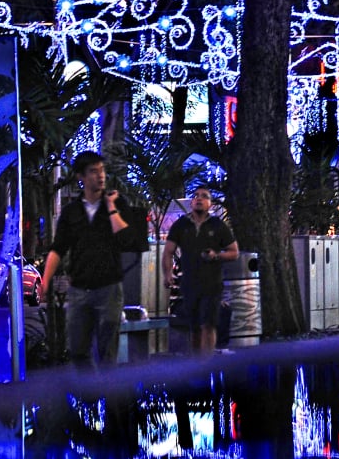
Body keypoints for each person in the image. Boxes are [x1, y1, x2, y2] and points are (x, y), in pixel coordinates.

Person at [37, 150, 148, 366]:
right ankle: (87, 396)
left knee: (108, 351)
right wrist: (45, 280)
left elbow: (126, 240)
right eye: (93, 171)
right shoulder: (71, 212)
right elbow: (58, 248)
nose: (100, 176)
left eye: (102, 170)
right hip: (79, 289)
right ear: (81, 177)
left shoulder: (117, 203)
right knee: (78, 350)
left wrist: (111, 208)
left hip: (109, 288)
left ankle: (109, 394)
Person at [162, 186, 239, 353]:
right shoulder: (181, 225)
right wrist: (167, 274)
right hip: (189, 284)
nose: (198, 198)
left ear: (210, 204)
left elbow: (234, 252)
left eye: (204, 196)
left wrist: (216, 255)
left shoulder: (218, 225)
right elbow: (168, 252)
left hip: (211, 284)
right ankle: (197, 365)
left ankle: (207, 364)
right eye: (195, 196)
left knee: (208, 325)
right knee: (195, 327)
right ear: (191, 202)